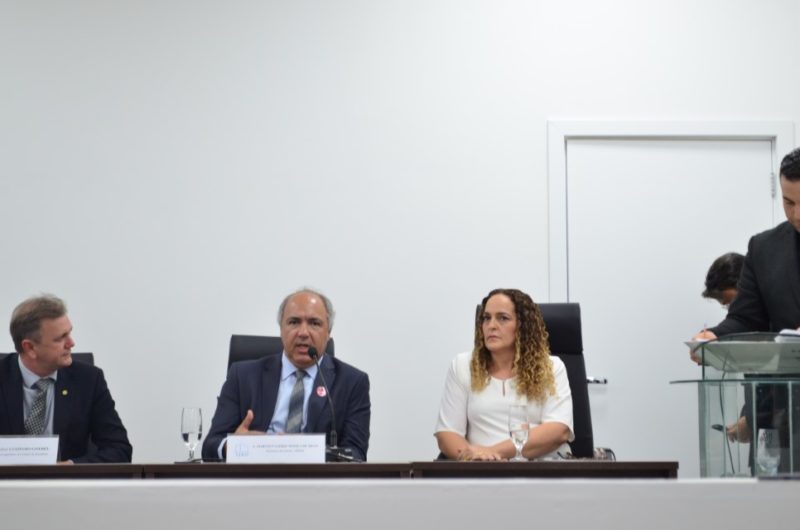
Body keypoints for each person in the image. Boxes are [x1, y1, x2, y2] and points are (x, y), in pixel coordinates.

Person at [692, 147, 800, 471]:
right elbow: (745, 317)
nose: (796, 215)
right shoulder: (765, 249)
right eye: (789, 202)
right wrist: (714, 336)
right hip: (787, 420)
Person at [202, 289, 371, 462]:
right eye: (294, 322)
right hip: (255, 475)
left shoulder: (352, 382)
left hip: (315, 478)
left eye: (314, 323)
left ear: (328, 332)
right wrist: (233, 446)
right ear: (281, 329)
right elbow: (210, 446)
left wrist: (298, 450)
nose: (303, 332)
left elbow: (356, 455)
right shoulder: (242, 376)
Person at [434, 288, 573, 461]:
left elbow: (559, 430)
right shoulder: (462, 366)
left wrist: (492, 453)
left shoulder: (551, 367)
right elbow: (447, 433)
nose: (491, 325)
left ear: (523, 327)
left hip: (539, 469)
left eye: (503, 318)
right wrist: (475, 459)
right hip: (480, 470)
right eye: (486, 318)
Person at [0, 295, 132, 463]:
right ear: (30, 347)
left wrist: (70, 467)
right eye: (60, 338)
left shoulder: (88, 380)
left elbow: (119, 450)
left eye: (69, 333)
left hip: (66, 480)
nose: (71, 343)